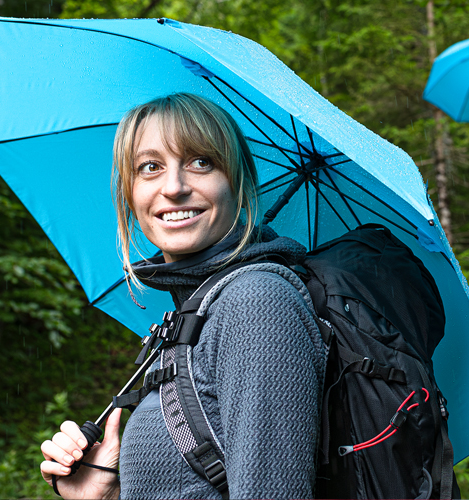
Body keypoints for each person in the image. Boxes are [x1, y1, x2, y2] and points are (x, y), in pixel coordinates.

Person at [36, 93, 325, 499]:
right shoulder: (196, 313)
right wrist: (106, 495)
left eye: (201, 162)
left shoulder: (255, 302)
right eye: (150, 167)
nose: (174, 187)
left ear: (237, 183)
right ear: (129, 192)